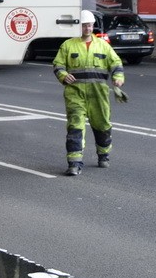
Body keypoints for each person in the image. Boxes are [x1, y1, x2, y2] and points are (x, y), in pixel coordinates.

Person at [52, 10, 124, 176]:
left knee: (102, 125)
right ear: (79, 26)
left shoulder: (103, 45)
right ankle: (74, 163)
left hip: (98, 93)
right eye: (84, 25)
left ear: (93, 26)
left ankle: (103, 154)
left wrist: (118, 77)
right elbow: (58, 64)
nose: (87, 28)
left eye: (89, 25)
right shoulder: (68, 45)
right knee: (75, 126)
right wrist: (63, 75)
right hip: (75, 93)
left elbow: (116, 62)